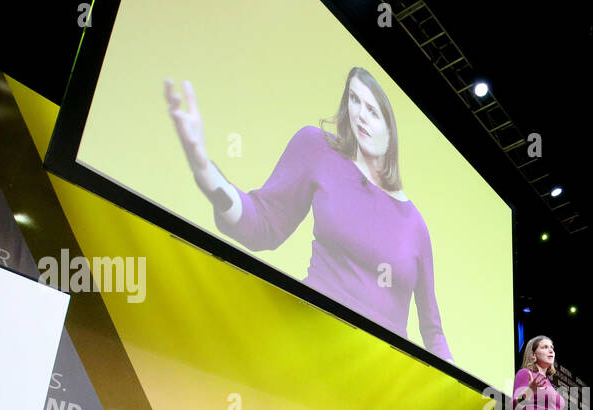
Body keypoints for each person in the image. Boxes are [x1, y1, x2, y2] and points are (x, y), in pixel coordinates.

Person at [164, 69, 453, 359]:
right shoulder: (317, 148)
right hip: (308, 342)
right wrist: (205, 172)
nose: (360, 115)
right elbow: (263, 224)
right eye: (354, 100)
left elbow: (433, 331)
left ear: (391, 132)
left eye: (373, 111)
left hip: (376, 374)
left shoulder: (415, 225)